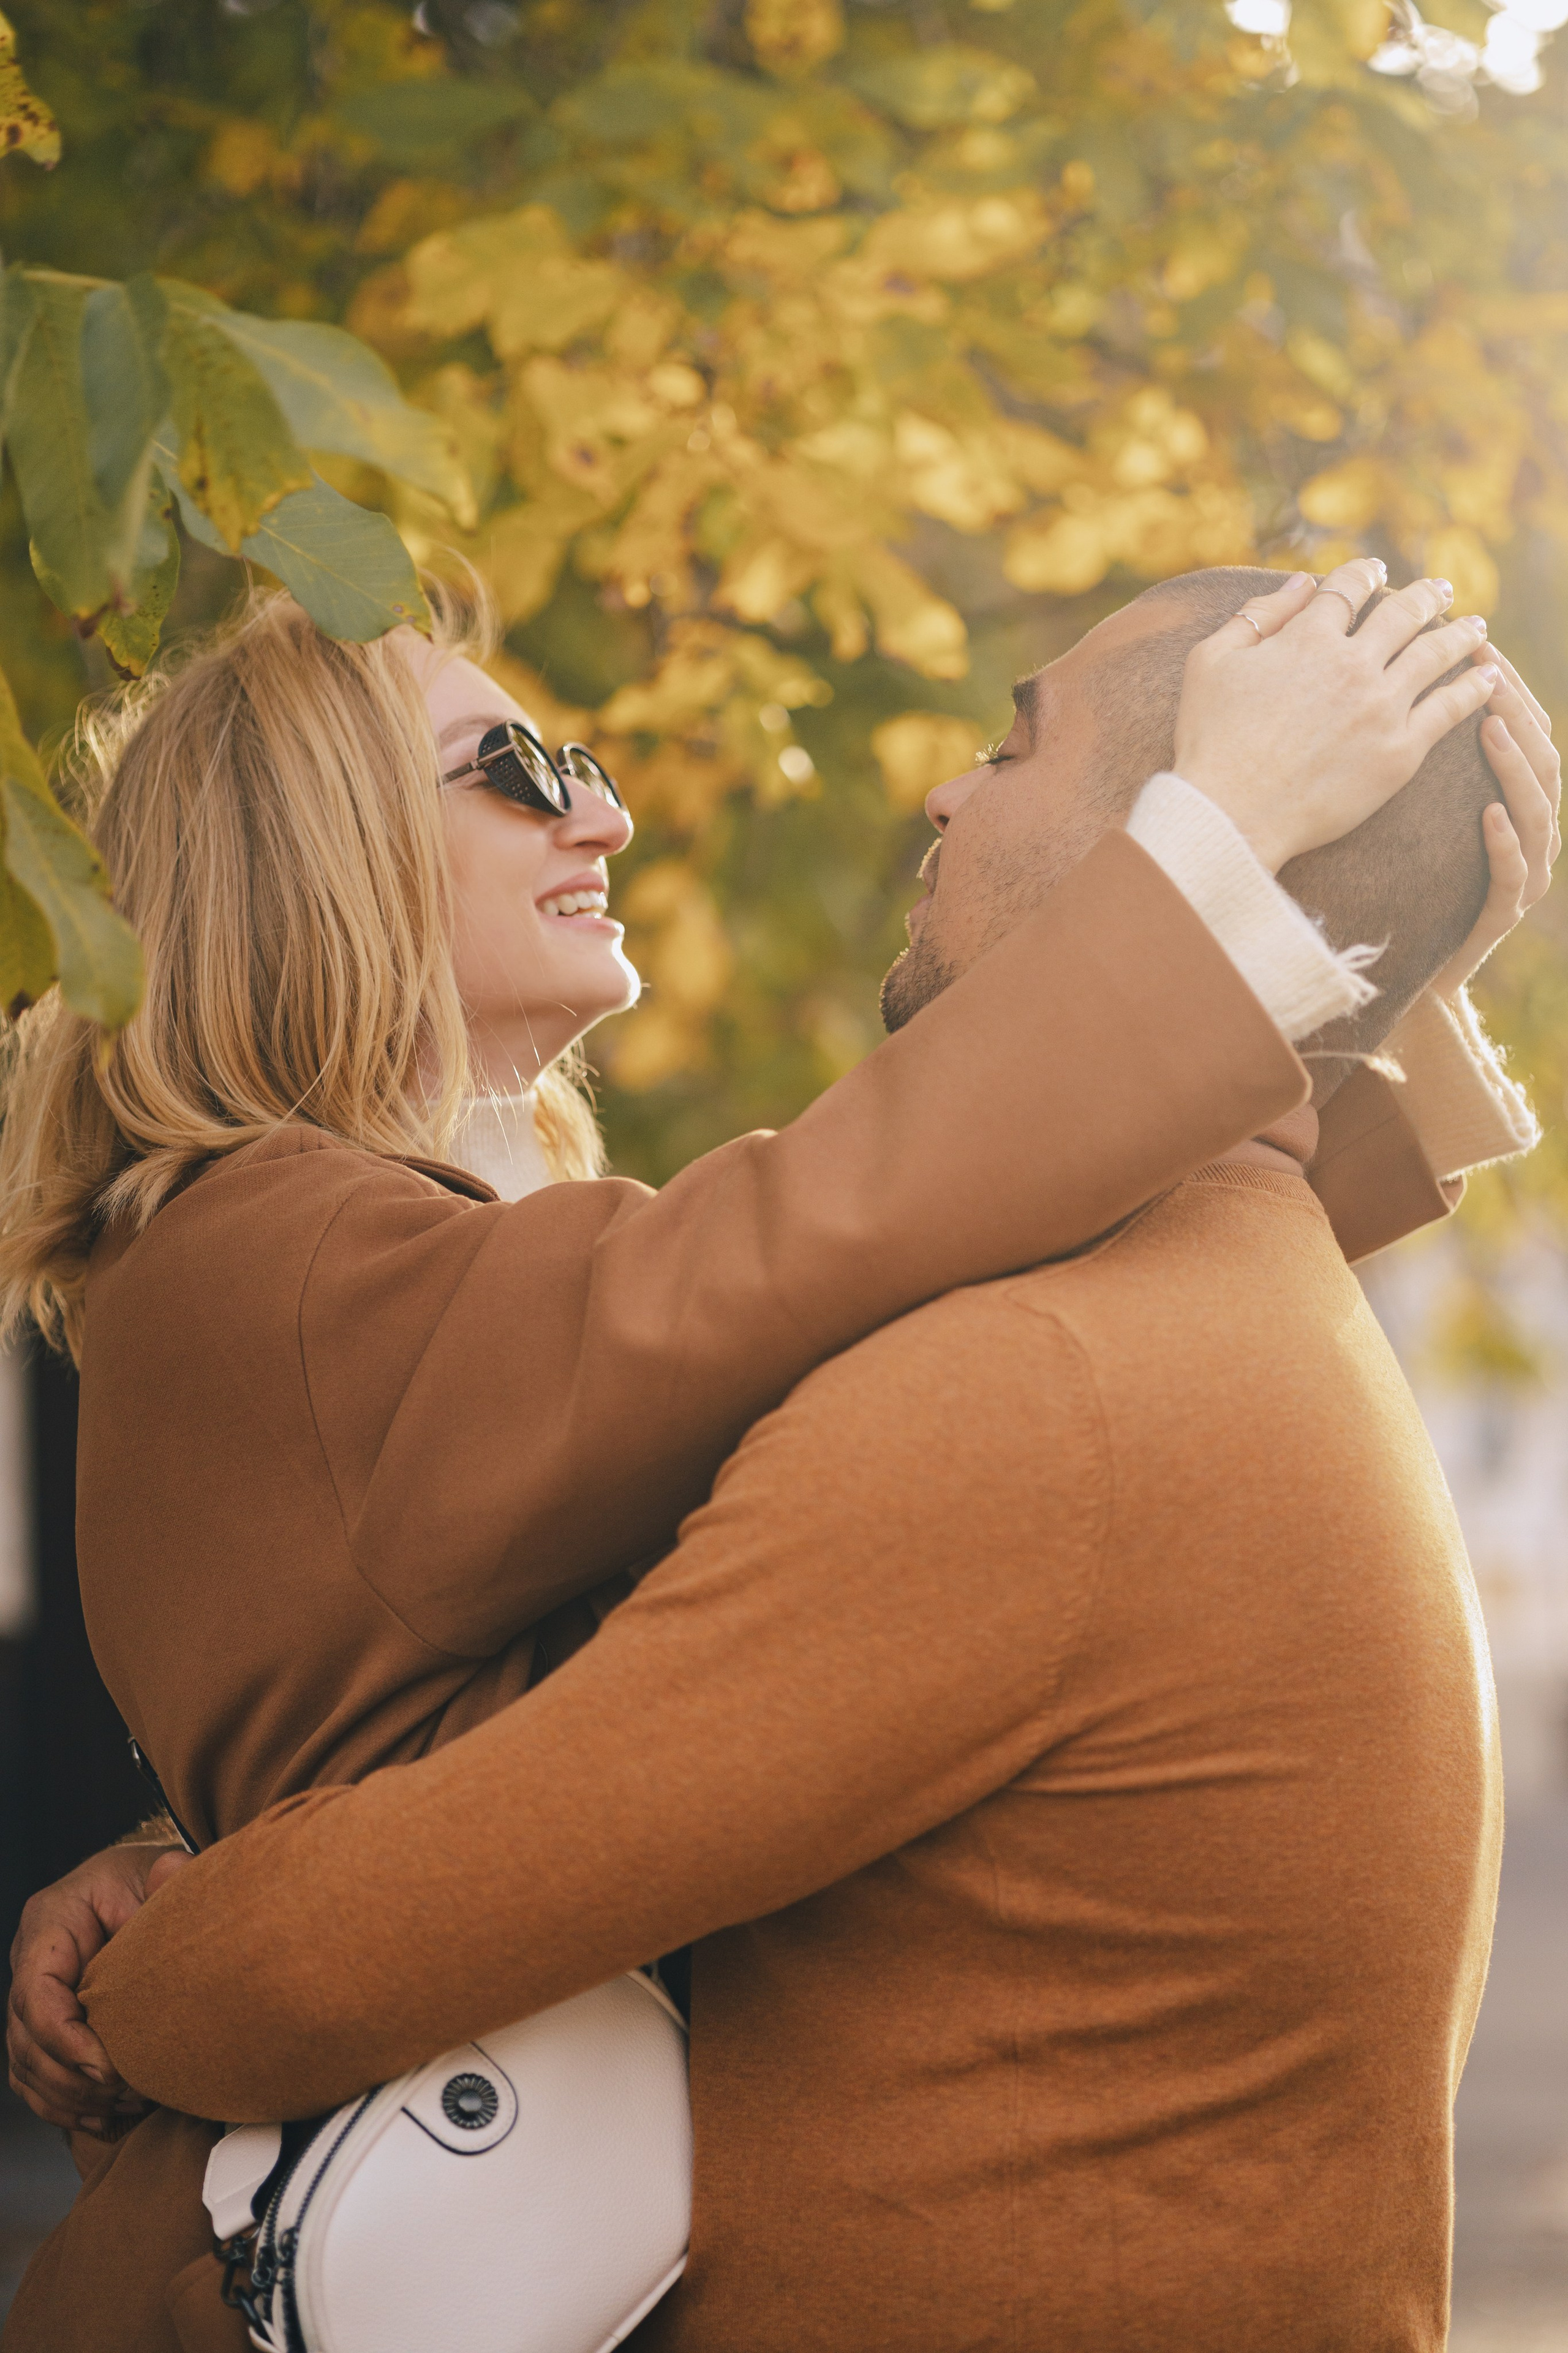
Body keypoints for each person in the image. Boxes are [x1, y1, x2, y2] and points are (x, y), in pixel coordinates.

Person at [1, 562, 1551, 2353]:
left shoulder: (481, 1266)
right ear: (312, 851)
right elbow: (845, 1241)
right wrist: (1235, 857)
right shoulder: (257, 1255)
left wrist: (1357, 954)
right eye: (511, 760)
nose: (607, 802)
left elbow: (1045, 1369)